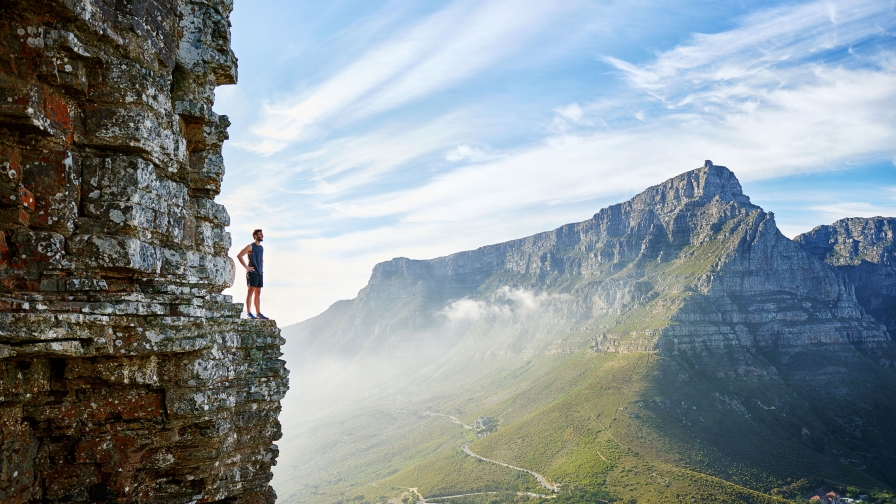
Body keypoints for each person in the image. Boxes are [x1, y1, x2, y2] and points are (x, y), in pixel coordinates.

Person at [237, 229, 268, 320]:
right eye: (260, 234)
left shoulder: (261, 248)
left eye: (262, 234)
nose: (262, 235)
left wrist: (261, 269)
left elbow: (261, 259)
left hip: (259, 273)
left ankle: (258, 313)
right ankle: (249, 313)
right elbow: (239, 255)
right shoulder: (250, 246)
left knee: (258, 293)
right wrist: (246, 267)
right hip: (252, 272)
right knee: (250, 292)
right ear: (255, 236)